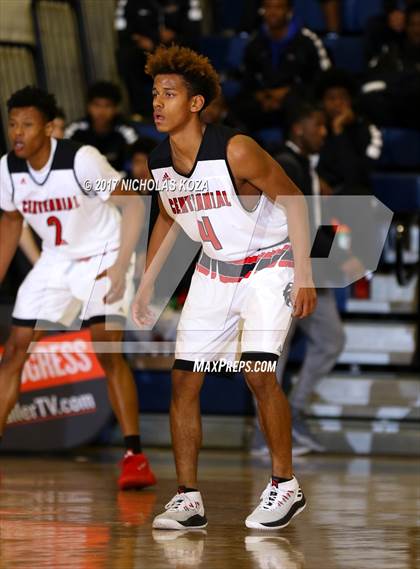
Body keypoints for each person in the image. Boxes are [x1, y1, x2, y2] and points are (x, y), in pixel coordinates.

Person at [132, 45, 317, 531]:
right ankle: (187, 499)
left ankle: (285, 484)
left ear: (195, 104)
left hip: (269, 266)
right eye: (155, 93)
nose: (158, 102)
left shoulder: (236, 149)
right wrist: (148, 285)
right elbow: (169, 219)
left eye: (169, 94)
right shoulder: (158, 161)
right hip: (215, 270)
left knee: (258, 374)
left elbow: (296, 202)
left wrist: (305, 274)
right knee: (183, 380)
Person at [0, 86, 156, 490]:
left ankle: (134, 456)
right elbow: (10, 223)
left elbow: (134, 204)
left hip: (104, 254)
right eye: (13, 124)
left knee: (106, 347)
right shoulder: (8, 168)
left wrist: (123, 267)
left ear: (49, 128)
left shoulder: (80, 160)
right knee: (15, 349)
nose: (18, 132)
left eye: (27, 124)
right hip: (57, 259)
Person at [268, 102, 364, 452]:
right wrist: (341, 259)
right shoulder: (285, 164)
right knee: (273, 353)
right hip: (283, 273)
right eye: (318, 125)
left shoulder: (305, 166)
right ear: (298, 127)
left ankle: (292, 413)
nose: (323, 132)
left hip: (310, 272)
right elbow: (301, 225)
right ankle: (268, 434)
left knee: (330, 338)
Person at [236, 0, 331, 131]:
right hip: (265, 101)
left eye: (278, 7)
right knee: (239, 106)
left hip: (298, 100)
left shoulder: (307, 40)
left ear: (289, 11)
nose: (272, 13)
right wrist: (264, 95)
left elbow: (324, 79)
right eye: (268, 7)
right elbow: (247, 79)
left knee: (298, 104)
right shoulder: (255, 42)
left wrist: (288, 93)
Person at [115, 0, 202, 117]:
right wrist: (143, 40)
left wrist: (174, 37)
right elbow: (122, 33)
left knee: (188, 56)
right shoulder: (127, 2)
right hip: (144, 52)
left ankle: (184, 107)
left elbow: (194, 31)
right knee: (126, 56)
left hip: (177, 48)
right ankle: (140, 111)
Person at [317, 69, 383, 195]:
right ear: (322, 103)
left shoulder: (367, 129)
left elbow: (354, 177)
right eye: (331, 98)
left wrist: (339, 131)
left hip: (355, 197)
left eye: (343, 97)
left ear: (351, 101)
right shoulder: (317, 130)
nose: (337, 103)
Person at [361, 1, 420, 128]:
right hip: (400, 119)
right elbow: (370, 87)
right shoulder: (391, 54)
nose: (417, 30)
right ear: (405, 27)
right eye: (413, 25)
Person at [65, 81, 137, 172]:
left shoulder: (126, 131)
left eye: (107, 106)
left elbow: (138, 160)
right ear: (88, 107)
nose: (101, 112)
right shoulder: (75, 129)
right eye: (97, 105)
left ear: (116, 109)